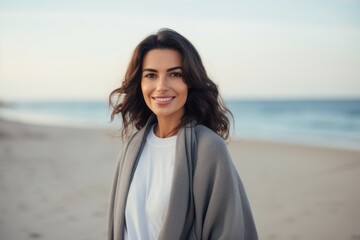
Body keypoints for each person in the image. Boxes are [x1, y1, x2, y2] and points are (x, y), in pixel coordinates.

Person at [108, 28, 258, 240]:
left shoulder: (208, 148)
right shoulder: (133, 146)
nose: (161, 86)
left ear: (190, 81)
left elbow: (229, 231)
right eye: (151, 75)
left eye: (175, 74)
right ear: (140, 83)